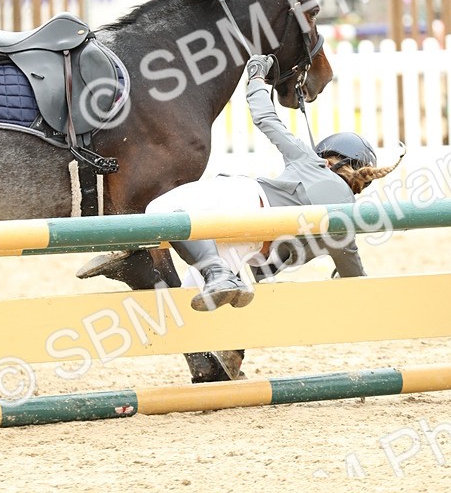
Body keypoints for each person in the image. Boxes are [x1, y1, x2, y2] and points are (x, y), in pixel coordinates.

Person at [144, 53, 404, 312]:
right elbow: (354, 274)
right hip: (249, 244)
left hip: (242, 202)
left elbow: (265, 118)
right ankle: (218, 278)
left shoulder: (311, 162)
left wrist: (256, 78)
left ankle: (210, 271)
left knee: (158, 210)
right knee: (190, 309)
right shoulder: (344, 224)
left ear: (328, 158)